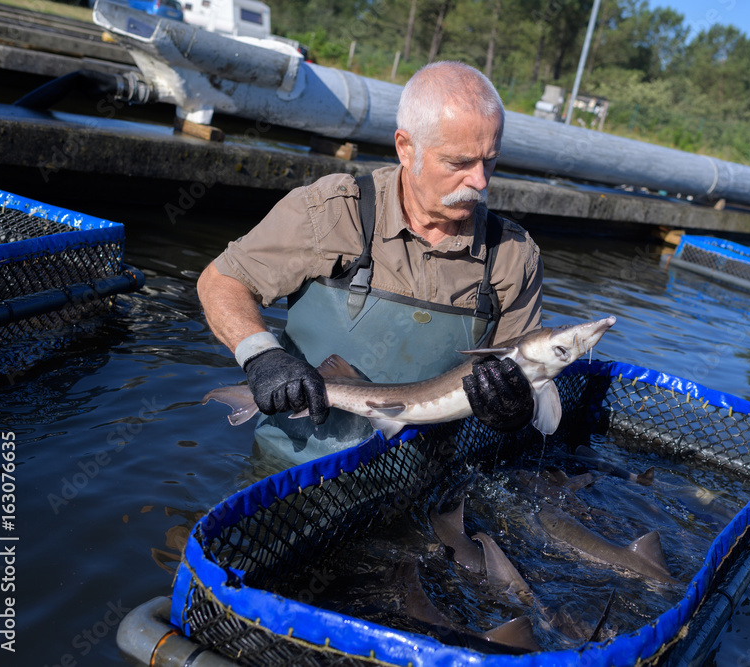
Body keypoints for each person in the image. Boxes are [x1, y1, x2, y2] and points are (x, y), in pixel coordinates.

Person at [197, 61, 544, 469]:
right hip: (292, 466)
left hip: (420, 475)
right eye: (459, 163)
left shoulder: (513, 254)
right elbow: (222, 281)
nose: (481, 181)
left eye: (490, 161)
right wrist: (261, 356)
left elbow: (523, 382)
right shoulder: (332, 212)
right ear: (405, 147)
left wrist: (514, 410)